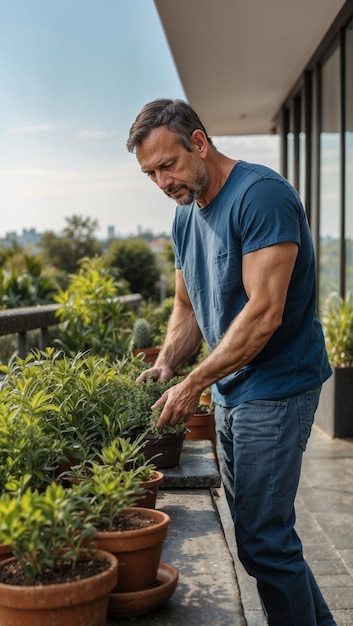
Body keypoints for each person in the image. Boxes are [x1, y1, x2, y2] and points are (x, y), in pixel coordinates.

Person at [126, 98, 336, 626]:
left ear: (199, 143)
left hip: (277, 385)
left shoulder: (260, 196)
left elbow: (264, 314)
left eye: (167, 166)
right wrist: (169, 363)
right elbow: (188, 304)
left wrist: (196, 379)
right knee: (264, 537)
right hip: (230, 390)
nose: (161, 182)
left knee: (263, 541)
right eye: (150, 173)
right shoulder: (185, 216)